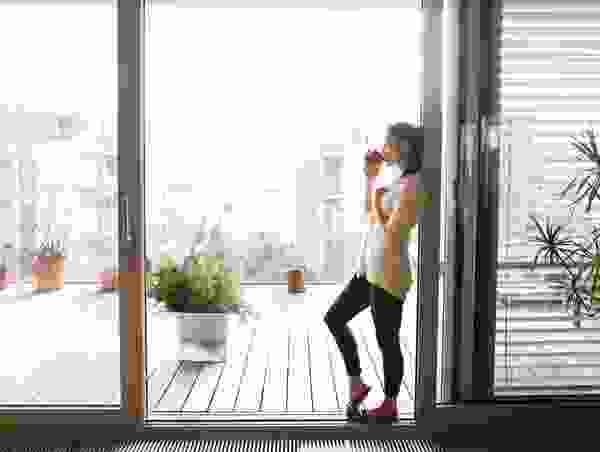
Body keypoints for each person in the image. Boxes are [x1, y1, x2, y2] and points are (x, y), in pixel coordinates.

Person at [324, 121, 429, 424]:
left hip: (389, 274)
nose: (385, 147)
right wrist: (371, 178)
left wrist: (377, 197)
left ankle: (390, 404)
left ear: (404, 146)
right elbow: (375, 215)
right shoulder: (398, 180)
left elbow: (394, 232)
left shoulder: (414, 185)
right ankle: (357, 383)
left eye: (389, 141)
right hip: (369, 269)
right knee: (334, 318)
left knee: (387, 341)